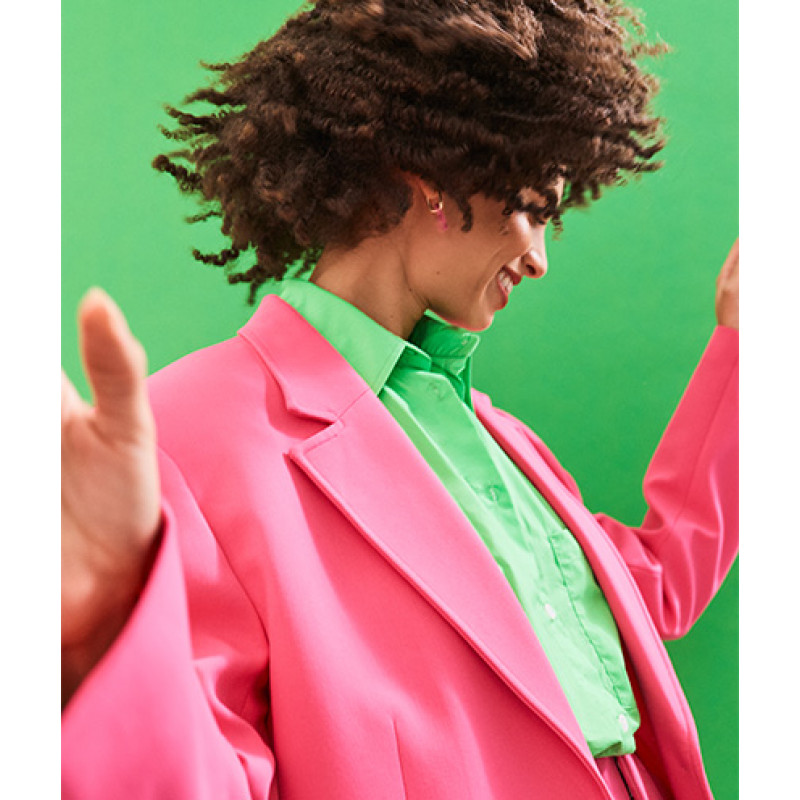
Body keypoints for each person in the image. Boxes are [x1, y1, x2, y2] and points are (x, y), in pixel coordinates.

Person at [61, 1, 738, 798]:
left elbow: (638, 597)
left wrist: (748, 352)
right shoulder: (194, 436)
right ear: (437, 185)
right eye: (533, 209)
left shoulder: (496, 437)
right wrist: (99, 640)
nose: (539, 258)